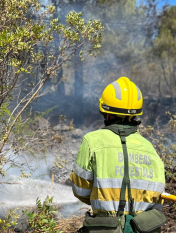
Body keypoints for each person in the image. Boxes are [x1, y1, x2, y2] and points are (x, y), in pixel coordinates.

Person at [70, 77, 166, 233]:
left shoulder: (92, 141)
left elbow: (81, 191)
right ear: (136, 115)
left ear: (106, 113)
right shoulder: (150, 149)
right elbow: (157, 202)